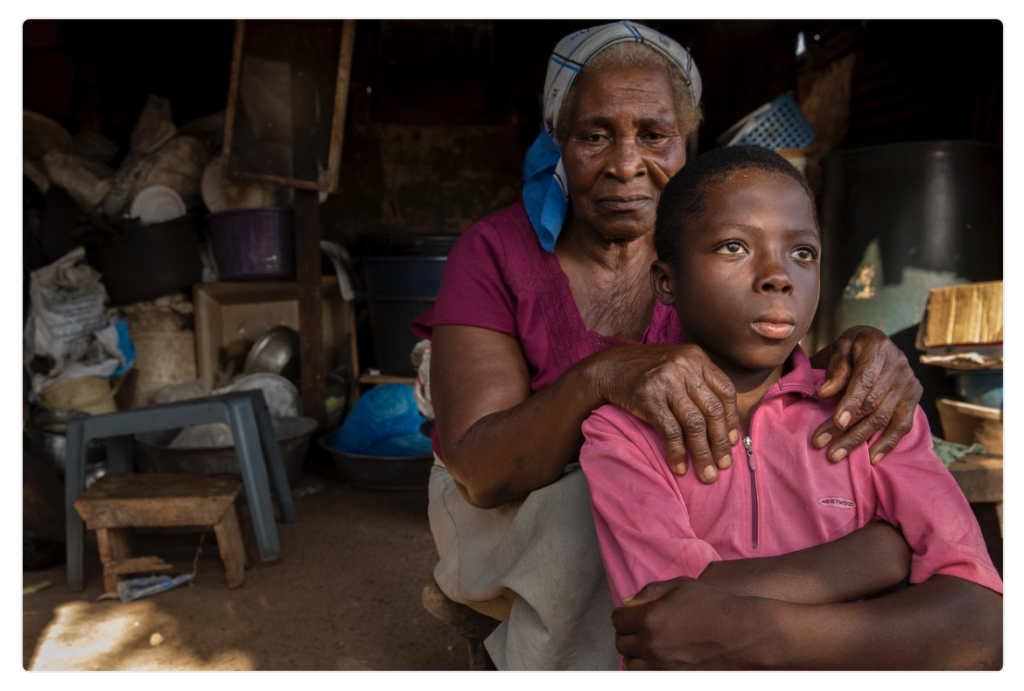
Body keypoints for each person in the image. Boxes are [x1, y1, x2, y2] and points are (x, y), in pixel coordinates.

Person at [412, 21, 923, 670]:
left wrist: (861, 351)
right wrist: (600, 375)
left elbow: (776, 389)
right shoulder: (494, 252)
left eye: (654, 135)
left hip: (657, 499)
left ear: (686, 146)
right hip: (508, 511)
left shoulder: (712, 252)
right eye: (595, 135)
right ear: (558, 142)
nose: (627, 163)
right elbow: (481, 473)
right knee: (598, 511)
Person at [580, 145, 1003, 670]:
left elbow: (984, 622)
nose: (778, 276)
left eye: (802, 253)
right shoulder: (626, 433)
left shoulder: (866, 411)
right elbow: (664, 624)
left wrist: (766, 634)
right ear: (666, 281)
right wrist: (877, 558)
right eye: (734, 247)